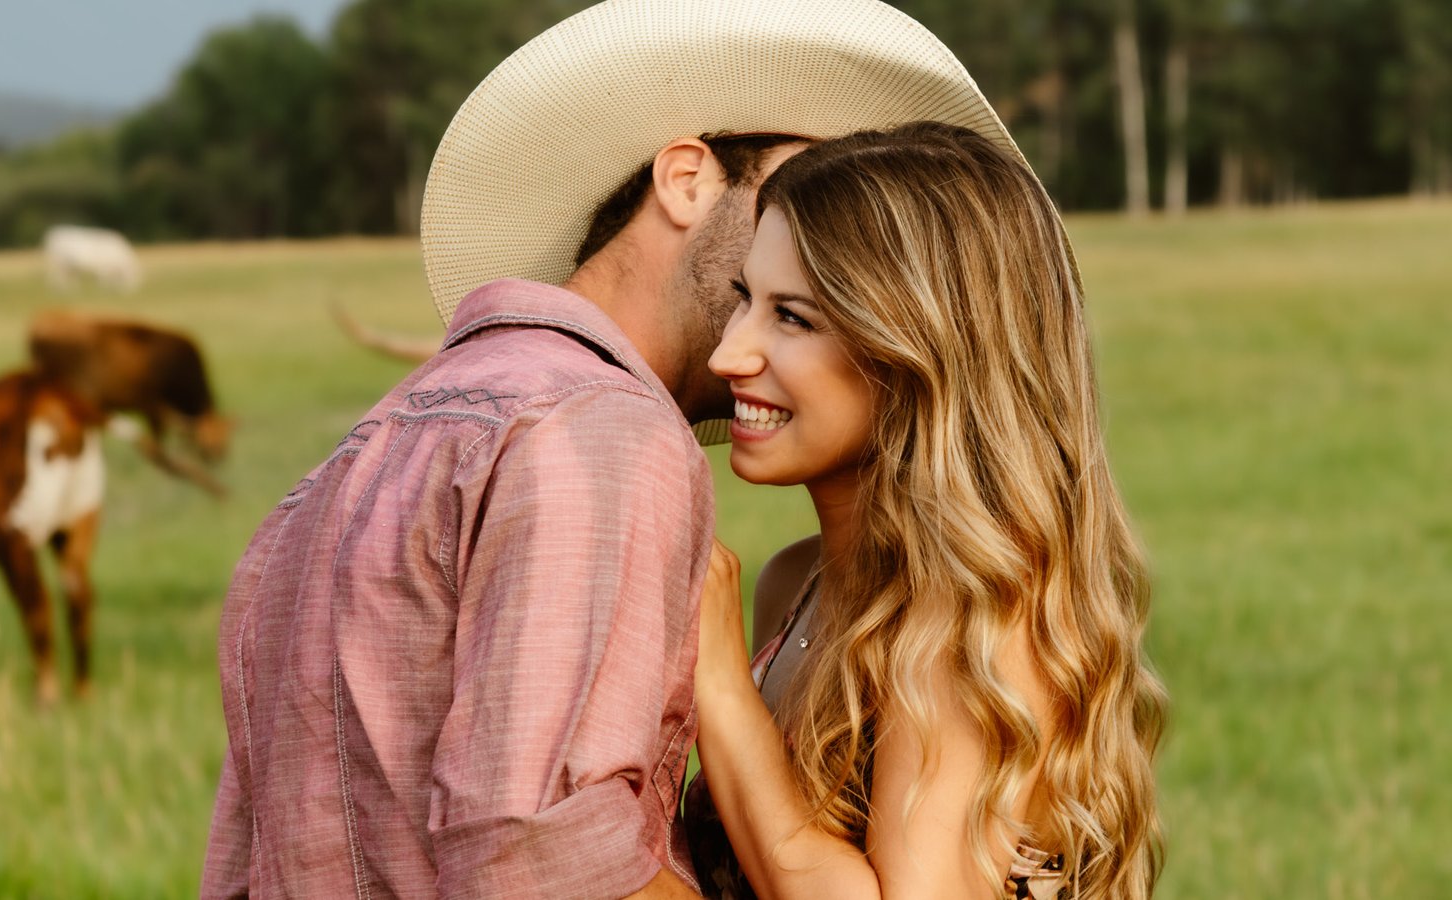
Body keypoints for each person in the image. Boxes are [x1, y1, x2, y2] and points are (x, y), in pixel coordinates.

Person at [201, 1, 1030, 896]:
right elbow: (543, 853)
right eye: (816, 178)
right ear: (685, 178)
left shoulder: (374, 441)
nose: (833, 217)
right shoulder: (600, 430)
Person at [688, 121, 1168, 900]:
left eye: (794, 318)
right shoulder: (795, 582)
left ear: (920, 353)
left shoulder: (976, 623)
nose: (728, 354)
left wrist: (720, 684)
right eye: (746, 298)